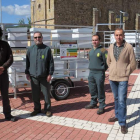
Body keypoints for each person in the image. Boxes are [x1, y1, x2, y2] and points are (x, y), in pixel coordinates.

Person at [107, 28, 136, 134]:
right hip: (113, 78)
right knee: (116, 98)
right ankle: (117, 115)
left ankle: (123, 123)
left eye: (120, 35)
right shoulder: (111, 47)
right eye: (116, 35)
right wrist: (111, 69)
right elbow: (108, 61)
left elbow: (133, 64)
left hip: (123, 78)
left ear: (123, 36)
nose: (118, 37)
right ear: (114, 36)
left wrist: (125, 72)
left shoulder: (128, 47)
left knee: (122, 100)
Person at [25, 31, 54, 117]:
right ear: (33, 39)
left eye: (39, 37)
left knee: (46, 94)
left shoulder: (47, 49)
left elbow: (51, 63)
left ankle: (47, 109)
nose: (37, 39)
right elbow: (27, 62)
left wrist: (50, 74)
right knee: (35, 95)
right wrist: (27, 72)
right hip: (34, 76)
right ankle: (37, 109)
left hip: (44, 77)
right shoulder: (30, 49)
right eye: (35, 37)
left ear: (42, 38)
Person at [85, 34, 108, 115]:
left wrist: (102, 70)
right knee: (92, 88)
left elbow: (106, 62)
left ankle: (102, 105)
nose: (94, 42)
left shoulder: (103, 51)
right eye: (93, 40)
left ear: (99, 41)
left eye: (96, 40)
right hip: (91, 72)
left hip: (99, 73)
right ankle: (93, 103)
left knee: (100, 89)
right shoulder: (91, 51)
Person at [0, 27, 17, 122]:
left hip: (3, 74)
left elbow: (10, 58)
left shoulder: (5, 45)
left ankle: (8, 114)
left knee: (5, 95)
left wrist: (3, 67)